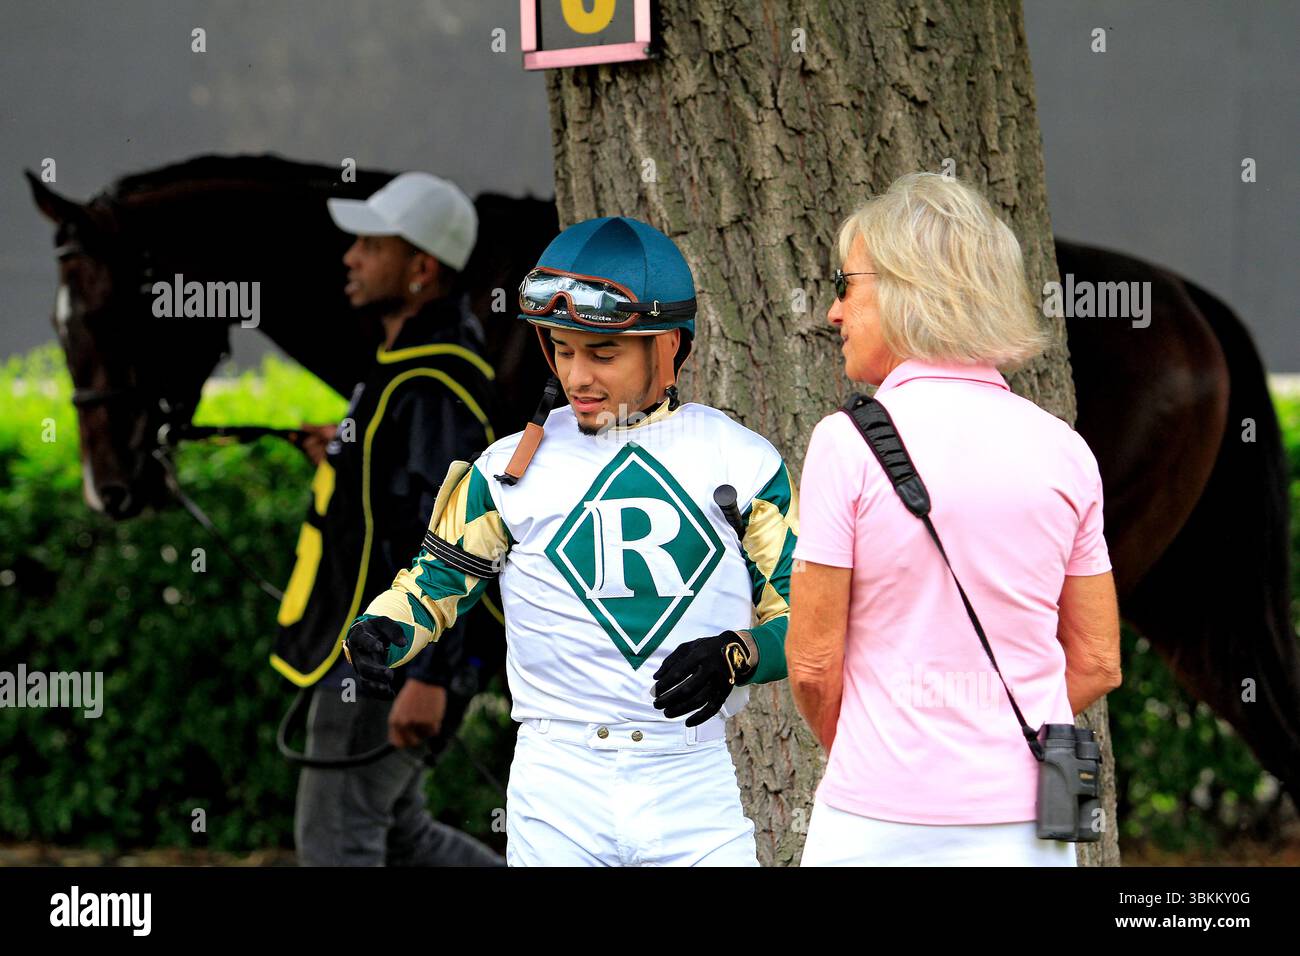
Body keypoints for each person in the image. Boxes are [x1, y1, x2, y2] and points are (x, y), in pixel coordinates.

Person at [343, 216, 799, 866]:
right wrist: (381, 631)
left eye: (602, 353)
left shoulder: (744, 462)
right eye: (561, 348)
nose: (577, 375)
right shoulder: (506, 468)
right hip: (556, 785)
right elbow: (433, 586)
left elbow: (809, 623)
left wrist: (738, 654)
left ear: (668, 345)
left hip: (692, 783)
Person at [787, 172, 1122, 866]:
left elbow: (815, 666)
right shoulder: (1065, 451)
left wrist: (884, 751)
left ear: (908, 289)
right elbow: (1097, 660)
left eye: (847, 284)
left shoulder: (845, 445)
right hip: (1026, 824)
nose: (833, 312)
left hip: (872, 820)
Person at [274, 172, 502, 866]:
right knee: (403, 839)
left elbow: (461, 531)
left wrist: (431, 677)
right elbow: (402, 488)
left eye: (371, 245)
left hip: (393, 660)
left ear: (420, 269)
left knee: (338, 844)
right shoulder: (409, 364)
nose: (350, 257)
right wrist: (347, 451)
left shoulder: (432, 380)